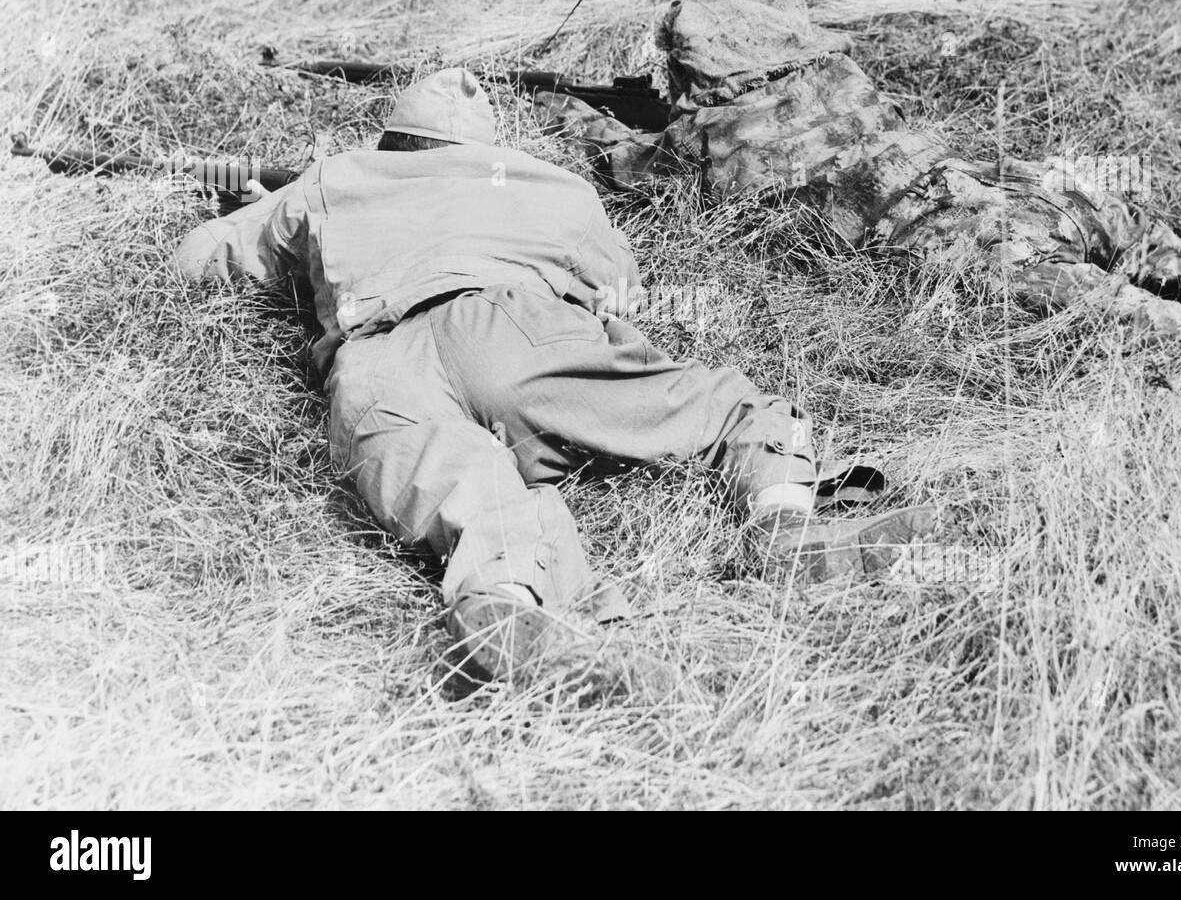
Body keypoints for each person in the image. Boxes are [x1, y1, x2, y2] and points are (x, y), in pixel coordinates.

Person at [172, 68, 933, 695]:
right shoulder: (552, 184)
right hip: (519, 332)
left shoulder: (336, 176)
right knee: (728, 409)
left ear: (393, 139)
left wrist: (262, 212)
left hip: (379, 355)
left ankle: (501, 603)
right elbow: (619, 287)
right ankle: (783, 522)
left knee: (471, 489)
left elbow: (201, 261)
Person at [534, 0, 1181, 352]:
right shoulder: (839, 76)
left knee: (1109, 313)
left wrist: (562, 103)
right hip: (1004, 181)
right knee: (1127, 229)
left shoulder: (707, 141)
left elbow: (615, 159)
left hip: (959, 233)